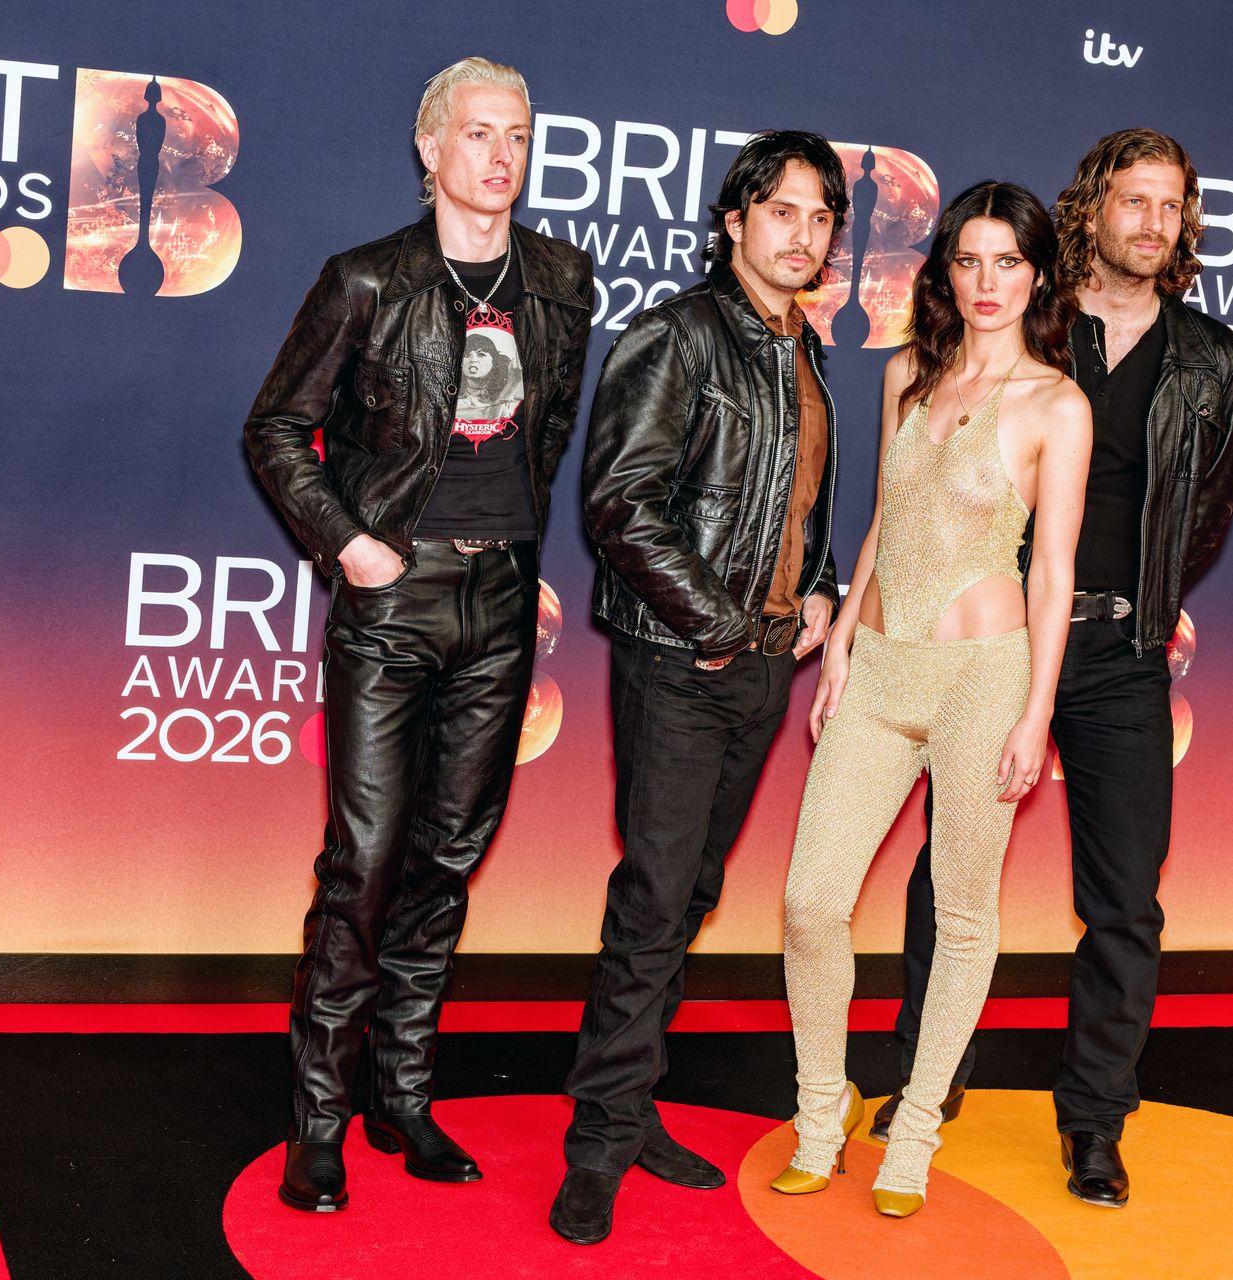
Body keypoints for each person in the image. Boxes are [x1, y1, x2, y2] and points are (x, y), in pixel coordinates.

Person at [242, 56, 592, 1212]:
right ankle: (318, 1118)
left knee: (448, 857)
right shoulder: (368, 279)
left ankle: (401, 1093)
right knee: (365, 860)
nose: (502, 155)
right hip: (395, 600)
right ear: (430, 148)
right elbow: (277, 427)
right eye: (478, 132)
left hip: (502, 603)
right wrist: (351, 543)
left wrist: (510, 553)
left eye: (519, 135)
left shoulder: (561, 282)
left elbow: (545, 440)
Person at [876, 129, 1233, 1209]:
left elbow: (1206, 512)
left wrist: (1139, 600)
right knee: (951, 873)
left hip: (1121, 655)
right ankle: (927, 1080)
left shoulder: (1208, 357)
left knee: (1125, 899)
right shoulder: (1029, 321)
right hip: (995, 645)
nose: (1152, 222)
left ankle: (1094, 1120)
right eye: (1133, 200)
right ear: (1091, 208)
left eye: (1170, 205)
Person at [552, 130, 847, 1245]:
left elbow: (801, 507)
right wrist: (719, 625)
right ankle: (596, 1144)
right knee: (654, 895)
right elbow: (619, 504)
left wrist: (819, 591)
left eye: (820, 216)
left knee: (690, 895)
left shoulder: (806, 352)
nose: (802, 234)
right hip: (682, 660)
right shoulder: (677, 335)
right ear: (734, 221)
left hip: (763, 666)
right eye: (781, 210)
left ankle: (630, 1110)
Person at [775, 181, 1092, 1218]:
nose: (987, 282)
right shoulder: (907, 373)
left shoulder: (1057, 405)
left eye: (1009, 261)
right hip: (879, 669)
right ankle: (821, 1111)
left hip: (983, 681)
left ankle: (913, 1127)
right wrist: (841, 648)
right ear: (945, 271)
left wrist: (1036, 710)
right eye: (969, 260)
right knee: (811, 901)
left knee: (962, 915)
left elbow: (1053, 572)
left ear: (1037, 274)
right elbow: (885, 515)